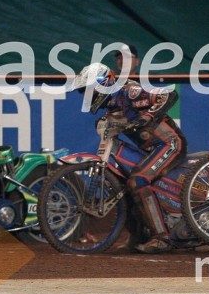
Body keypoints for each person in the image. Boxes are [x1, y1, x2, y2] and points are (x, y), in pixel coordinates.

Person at [70, 63, 186, 254]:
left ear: (103, 85)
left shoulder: (130, 91)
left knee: (138, 180)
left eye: (88, 91)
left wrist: (148, 116)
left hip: (170, 144)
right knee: (126, 185)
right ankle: (138, 235)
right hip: (151, 149)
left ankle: (162, 238)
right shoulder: (112, 104)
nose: (86, 96)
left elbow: (169, 94)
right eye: (84, 92)